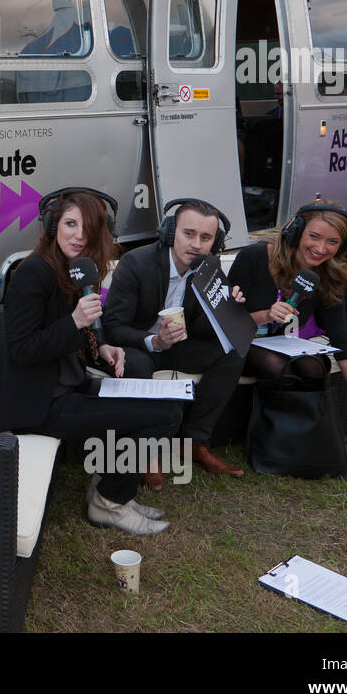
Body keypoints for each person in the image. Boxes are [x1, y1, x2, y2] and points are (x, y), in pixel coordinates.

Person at [0, 187, 182, 535]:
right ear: (52, 225)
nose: (79, 235)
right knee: (166, 415)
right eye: (70, 224)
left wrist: (101, 348)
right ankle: (108, 502)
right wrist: (74, 321)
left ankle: (106, 487)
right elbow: (22, 349)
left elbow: (79, 334)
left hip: (66, 386)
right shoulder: (32, 273)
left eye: (88, 227)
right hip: (36, 405)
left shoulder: (75, 269)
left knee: (161, 402)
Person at [227, 202, 347, 458]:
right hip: (243, 341)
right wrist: (265, 315)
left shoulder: (327, 276)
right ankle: (277, 443)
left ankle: (309, 440)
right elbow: (225, 321)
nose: (321, 249)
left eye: (332, 241)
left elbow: (343, 343)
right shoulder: (254, 258)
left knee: (314, 365)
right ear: (297, 232)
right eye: (314, 236)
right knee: (276, 364)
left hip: (286, 346)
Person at [104, 199, 246, 487]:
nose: (196, 244)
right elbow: (114, 327)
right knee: (139, 364)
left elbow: (204, 330)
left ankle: (195, 442)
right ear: (170, 232)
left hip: (180, 345)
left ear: (214, 242)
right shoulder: (137, 263)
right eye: (189, 233)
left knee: (231, 351)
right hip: (139, 345)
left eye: (205, 238)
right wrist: (154, 341)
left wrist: (225, 306)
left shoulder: (208, 265)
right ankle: (146, 453)